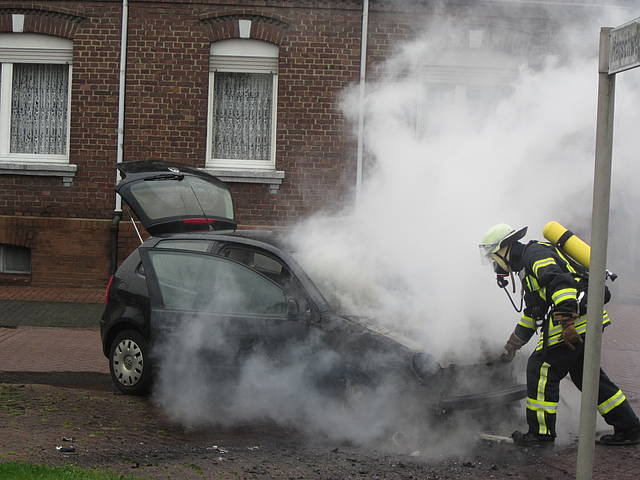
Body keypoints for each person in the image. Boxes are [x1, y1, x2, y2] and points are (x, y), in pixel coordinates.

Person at [479, 223, 640, 446]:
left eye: (493, 258)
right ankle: (629, 427)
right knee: (588, 377)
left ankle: (541, 435)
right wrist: (512, 345)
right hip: (584, 317)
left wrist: (567, 324)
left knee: (541, 368)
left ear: (503, 249)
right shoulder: (527, 266)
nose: (494, 264)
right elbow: (533, 313)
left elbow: (561, 283)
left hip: (575, 321)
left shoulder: (535, 255)